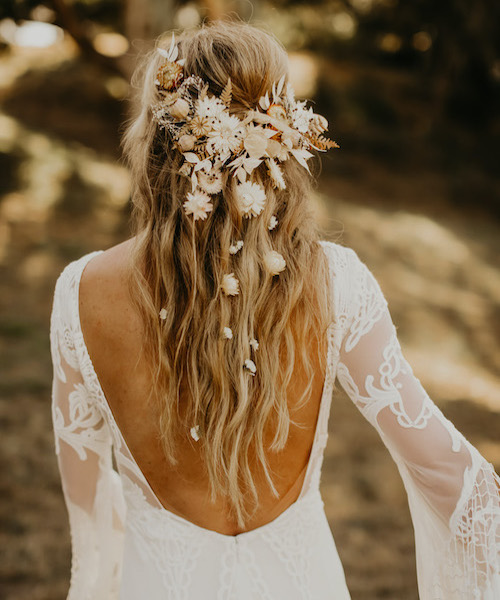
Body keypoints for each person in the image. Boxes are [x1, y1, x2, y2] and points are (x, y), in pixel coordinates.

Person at [49, 20, 499, 600]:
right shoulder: (336, 284)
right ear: (281, 139)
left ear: (155, 142)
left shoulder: (81, 291)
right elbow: (447, 473)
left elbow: (87, 502)